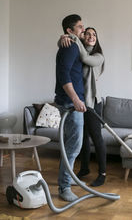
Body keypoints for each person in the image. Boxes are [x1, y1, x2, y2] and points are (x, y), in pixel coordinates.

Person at [59, 27, 106, 186]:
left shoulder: (98, 56)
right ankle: (84, 168)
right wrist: (63, 39)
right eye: (88, 34)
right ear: (83, 36)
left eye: (94, 34)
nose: (91, 36)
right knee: (83, 138)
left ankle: (102, 173)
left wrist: (73, 38)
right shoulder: (76, 51)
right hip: (79, 102)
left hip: (92, 103)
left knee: (96, 138)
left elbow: (86, 58)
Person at [54, 14, 86, 202]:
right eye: (80, 27)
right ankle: (64, 187)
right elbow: (63, 75)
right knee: (74, 146)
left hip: (70, 100)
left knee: (71, 145)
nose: (83, 29)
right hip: (69, 102)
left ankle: (66, 179)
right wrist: (75, 99)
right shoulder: (70, 46)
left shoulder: (73, 45)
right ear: (69, 30)